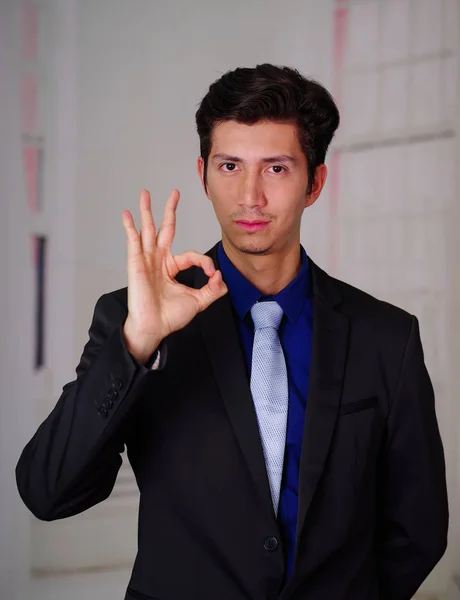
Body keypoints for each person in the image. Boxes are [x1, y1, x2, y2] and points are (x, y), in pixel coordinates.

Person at [16, 64, 448, 600]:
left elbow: (419, 526)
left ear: (314, 182)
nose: (249, 196)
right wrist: (136, 346)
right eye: (229, 166)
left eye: (276, 168)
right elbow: (47, 492)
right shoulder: (133, 320)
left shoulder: (387, 337)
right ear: (203, 174)